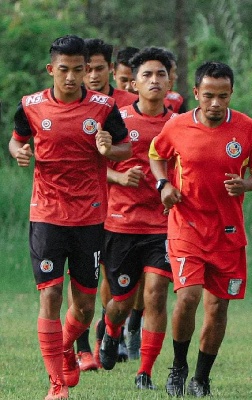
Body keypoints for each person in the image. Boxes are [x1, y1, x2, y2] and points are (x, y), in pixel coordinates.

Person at [8, 34, 131, 400]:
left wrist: (112, 148)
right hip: (46, 213)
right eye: (65, 70)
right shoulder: (30, 106)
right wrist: (19, 151)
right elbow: (16, 139)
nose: (73, 77)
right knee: (51, 296)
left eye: (80, 70)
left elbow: (126, 147)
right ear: (51, 70)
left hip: (90, 216)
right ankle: (56, 383)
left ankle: (65, 346)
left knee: (84, 305)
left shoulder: (103, 107)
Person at [148, 61, 252, 397]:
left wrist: (246, 185)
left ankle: (201, 377)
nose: (215, 103)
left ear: (231, 93)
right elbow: (156, 154)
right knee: (188, 297)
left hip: (228, 233)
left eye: (222, 96)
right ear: (196, 94)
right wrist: (163, 185)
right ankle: (178, 367)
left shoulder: (247, 128)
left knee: (218, 307)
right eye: (208, 96)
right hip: (186, 226)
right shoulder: (177, 126)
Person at [97, 47, 175, 391]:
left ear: (170, 81)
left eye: (161, 74)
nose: (154, 80)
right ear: (134, 83)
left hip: (164, 224)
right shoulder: (118, 120)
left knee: (156, 294)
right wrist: (119, 177)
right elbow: (97, 166)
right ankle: (111, 331)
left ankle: (144, 371)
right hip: (122, 223)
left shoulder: (180, 123)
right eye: (147, 75)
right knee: (121, 301)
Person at [78, 37, 139, 369]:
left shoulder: (128, 104)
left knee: (115, 280)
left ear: (112, 70)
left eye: (99, 68)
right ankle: (85, 346)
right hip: (82, 207)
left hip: (122, 210)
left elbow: (135, 151)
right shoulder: (72, 104)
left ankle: (107, 335)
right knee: (87, 279)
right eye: (86, 69)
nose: (92, 75)